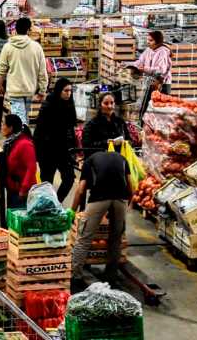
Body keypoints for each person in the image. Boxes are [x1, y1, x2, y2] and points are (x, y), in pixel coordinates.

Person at [69, 147, 132, 292]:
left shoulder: (88, 161)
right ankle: (111, 276)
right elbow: (130, 183)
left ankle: (76, 278)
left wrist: (72, 210)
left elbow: (81, 189)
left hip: (99, 198)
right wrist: (128, 202)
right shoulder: (121, 158)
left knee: (84, 238)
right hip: (120, 198)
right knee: (116, 239)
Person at [34, 78, 78, 203]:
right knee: (47, 183)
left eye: (70, 91)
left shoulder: (69, 105)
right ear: (59, 90)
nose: (68, 94)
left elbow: (70, 129)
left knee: (69, 178)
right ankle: (47, 207)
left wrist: (73, 150)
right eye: (66, 91)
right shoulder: (48, 106)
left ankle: (57, 203)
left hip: (63, 151)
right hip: (48, 151)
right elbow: (40, 131)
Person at [0, 17, 47, 125]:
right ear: (29, 30)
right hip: (30, 89)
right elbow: (42, 71)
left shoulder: (8, 47)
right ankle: (24, 138)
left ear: (15, 30)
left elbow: (2, 69)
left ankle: (23, 138)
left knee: (20, 120)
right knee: (23, 119)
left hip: (15, 90)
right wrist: (42, 89)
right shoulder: (36, 47)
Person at [127, 30, 172, 121]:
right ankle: (144, 127)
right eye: (147, 40)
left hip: (162, 84)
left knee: (159, 109)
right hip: (150, 83)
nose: (148, 42)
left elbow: (161, 70)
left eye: (151, 40)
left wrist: (145, 69)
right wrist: (128, 64)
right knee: (145, 106)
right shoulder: (148, 50)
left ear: (158, 41)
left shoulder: (163, 52)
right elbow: (140, 62)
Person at [1, 114, 37, 209]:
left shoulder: (25, 144)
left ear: (10, 128)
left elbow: (32, 168)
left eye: (4, 124)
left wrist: (23, 189)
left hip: (22, 192)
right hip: (12, 189)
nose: (2, 127)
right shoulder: (10, 143)